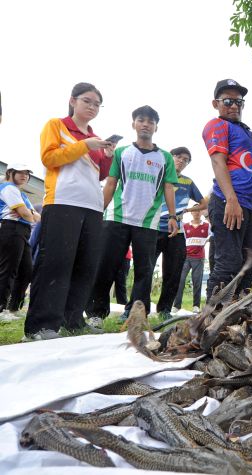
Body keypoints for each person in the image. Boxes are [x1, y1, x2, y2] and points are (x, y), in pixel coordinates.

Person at [24, 83, 115, 341]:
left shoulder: (94, 137)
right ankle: (41, 325)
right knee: (56, 263)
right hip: (63, 201)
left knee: (85, 265)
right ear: (73, 101)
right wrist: (86, 145)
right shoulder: (57, 125)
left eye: (97, 104)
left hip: (93, 206)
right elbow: (49, 158)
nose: (92, 107)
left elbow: (101, 174)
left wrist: (107, 155)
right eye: (87, 101)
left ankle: (73, 320)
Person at [86, 105, 178, 325]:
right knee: (106, 265)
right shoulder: (122, 152)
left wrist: (173, 217)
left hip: (148, 221)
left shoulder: (165, 157)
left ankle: (137, 315)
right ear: (133, 124)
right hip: (117, 216)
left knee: (144, 270)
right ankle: (96, 314)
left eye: (150, 122)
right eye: (141, 120)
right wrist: (99, 211)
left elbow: (168, 188)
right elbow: (111, 183)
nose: (145, 124)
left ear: (156, 127)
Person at [203, 79, 252, 299]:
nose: (234, 106)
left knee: (249, 262)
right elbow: (218, 162)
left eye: (238, 101)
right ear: (216, 103)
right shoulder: (217, 125)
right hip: (229, 203)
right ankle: (212, 314)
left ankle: (240, 311)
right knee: (229, 263)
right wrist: (231, 199)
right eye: (227, 101)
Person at [152, 146, 206, 319]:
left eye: (186, 160)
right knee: (146, 269)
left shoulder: (188, 182)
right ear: (170, 157)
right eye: (179, 157)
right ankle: (138, 307)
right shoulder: (157, 175)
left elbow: (204, 203)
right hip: (153, 227)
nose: (182, 161)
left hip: (178, 232)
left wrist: (188, 210)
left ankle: (165, 310)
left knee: (174, 272)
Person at [0, 164, 40, 321]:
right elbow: (27, 214)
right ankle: (1, 309)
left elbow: (36, 217)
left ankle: (13, 308)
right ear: (11, 172)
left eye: (27, 173)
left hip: (22, 231)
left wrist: (28, 214)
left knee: (26, 271)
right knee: (8, 270)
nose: (25, 176)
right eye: (20, 172)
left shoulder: (20, 193)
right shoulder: (8, 188)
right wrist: (29, 214)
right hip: (11, 229)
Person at [173, 210, 209, 312]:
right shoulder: (185, 226)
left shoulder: (206, 226)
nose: (196, 213)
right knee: (180, 280)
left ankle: (196, 306)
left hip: (199, 258)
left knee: (197, 281)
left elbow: (214, 234)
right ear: (191, 213)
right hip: (186, 257)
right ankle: (176, 306)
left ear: (201, 213)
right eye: (194, 211)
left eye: (198, 211)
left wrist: (207, 241)